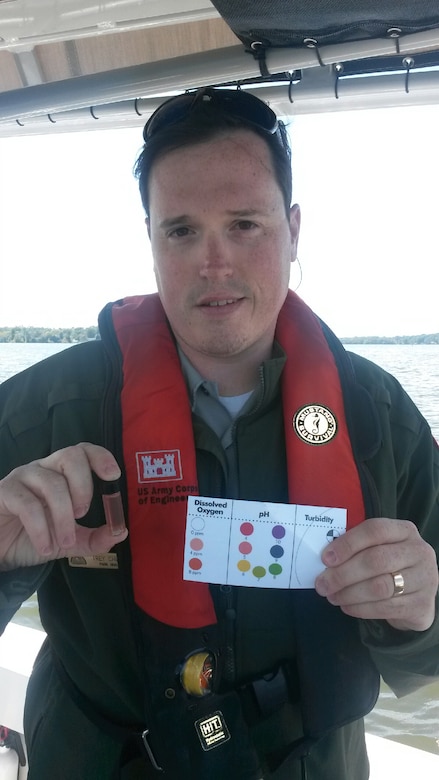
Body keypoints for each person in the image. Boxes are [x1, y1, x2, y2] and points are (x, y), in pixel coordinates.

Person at [0, 87, 438, 780]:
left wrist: (419, 608)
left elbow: (429, 655)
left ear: (294, 230)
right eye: (181, 230)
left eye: (244, 224)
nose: (214, 263)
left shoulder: (380, 419)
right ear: (149, 238)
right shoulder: (40, 413)